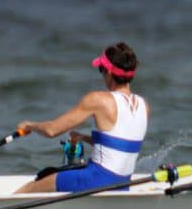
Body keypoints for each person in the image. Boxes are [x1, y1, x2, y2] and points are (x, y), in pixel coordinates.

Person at [11, 43, 147, 195]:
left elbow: (51, 130)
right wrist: (83, 138)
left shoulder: (98, 100)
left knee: (30, 187)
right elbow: (119, 146)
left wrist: (29, 125)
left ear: (108, 72)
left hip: (96, 179)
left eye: (101, 69)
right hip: (123, 183)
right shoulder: (143, 106)